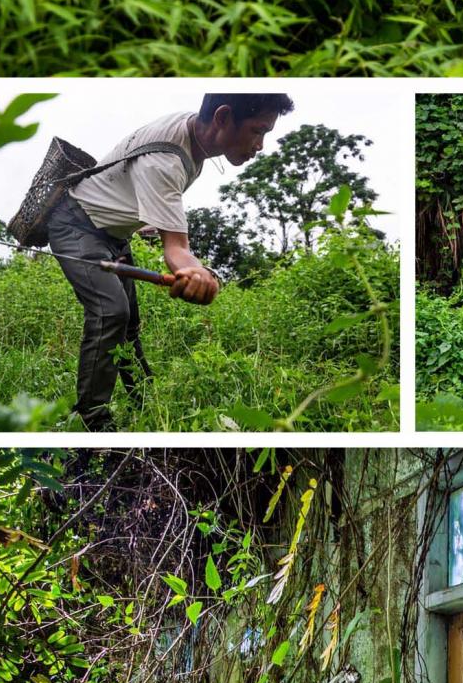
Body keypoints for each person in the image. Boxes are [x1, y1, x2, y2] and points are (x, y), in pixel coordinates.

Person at [48, 92, 294, 430]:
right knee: (111, 312)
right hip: (77, 225)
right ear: (222, 118)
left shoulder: (193, 134)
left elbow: (141, 184)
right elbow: (175, 249)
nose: (260, 145)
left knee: (129, 324)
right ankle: (89, 421)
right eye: (257, 130)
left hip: (112, 234)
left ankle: (144, 402)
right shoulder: (166, 159)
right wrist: (197, 272)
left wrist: (150, 220)